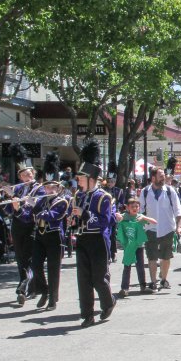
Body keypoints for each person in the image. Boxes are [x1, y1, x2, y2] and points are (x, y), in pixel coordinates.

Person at [72, 140, 116, 327]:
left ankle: (108, 302)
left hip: (98, 240)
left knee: (99, 278)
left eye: (81, 178)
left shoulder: (103, 197)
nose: (78, 181)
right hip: (82, 240)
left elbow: (105, 222)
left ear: (91, 178)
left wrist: (85, 214)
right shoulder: (78, 196)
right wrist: (72, 222)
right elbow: (77, 219)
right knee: (83, 279)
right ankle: (87, 314)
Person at [0, 146, 44, 305]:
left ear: (34, 174)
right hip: (17, 226)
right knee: (20, 258)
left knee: (28, 258)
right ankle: (30, 286)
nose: (27, 177)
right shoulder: (18, 188)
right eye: (24, 175)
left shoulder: (40, 189)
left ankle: (23, 287)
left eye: (29, 174)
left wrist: (14, 197)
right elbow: (10, 209)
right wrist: (0, 198)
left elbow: (33, 206)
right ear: (20, 177)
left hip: (31, 225)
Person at [29, 153, 69, 311]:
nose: (49, 190)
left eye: (52, 187)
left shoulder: (63, 201)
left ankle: (53, 298)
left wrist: (36, 210)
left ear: (58, 188)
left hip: (54, 237)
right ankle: (44, 291)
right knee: (35, 265)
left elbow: (53, 216)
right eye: (46, 187)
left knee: (53, 269)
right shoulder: (41, 200)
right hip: (40, 236)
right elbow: (28, 215)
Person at [140, 159, 181, 291]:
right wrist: (142, 224)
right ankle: (153, 282)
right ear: (153, 178)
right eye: (160, 176)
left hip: (167, 229)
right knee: (152, 257)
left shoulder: (170, 191)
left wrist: (179, 226)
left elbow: (178, 210)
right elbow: (140, 211)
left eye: (164, 175)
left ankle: (163, 279)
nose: (163, 177)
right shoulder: (145, 192)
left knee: (165, 257)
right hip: (150, 229)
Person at [116, 195, 156, 297]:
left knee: (140, 266)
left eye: (137, 207)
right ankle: (124, 288)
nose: (135, 208)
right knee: (127, 266)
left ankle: (143, 286)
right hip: (129, 246)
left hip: (139, 245)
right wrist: (118, 216)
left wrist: (144, 217)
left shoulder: (140, 217)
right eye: (133, 206)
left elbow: (154, 222)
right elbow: (116, 216)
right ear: (127, 207)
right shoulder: (125, 216)